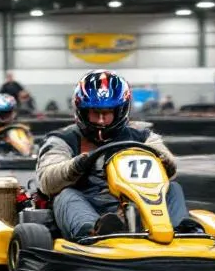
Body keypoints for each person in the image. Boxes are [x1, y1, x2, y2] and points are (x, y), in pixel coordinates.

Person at [34, 70, 197, 240]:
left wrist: (166, 163)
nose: (101, 120)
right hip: (88, 203)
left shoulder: (142, 136)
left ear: (120, 111)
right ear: (82, 111)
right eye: (95, 113)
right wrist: (77, 165)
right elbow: (46, 180)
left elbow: (167, 161)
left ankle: (180, 232)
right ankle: (93, 233)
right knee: (65, 196)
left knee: (172, 188)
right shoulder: (63, 139)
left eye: (107, 113)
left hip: (137, 203)